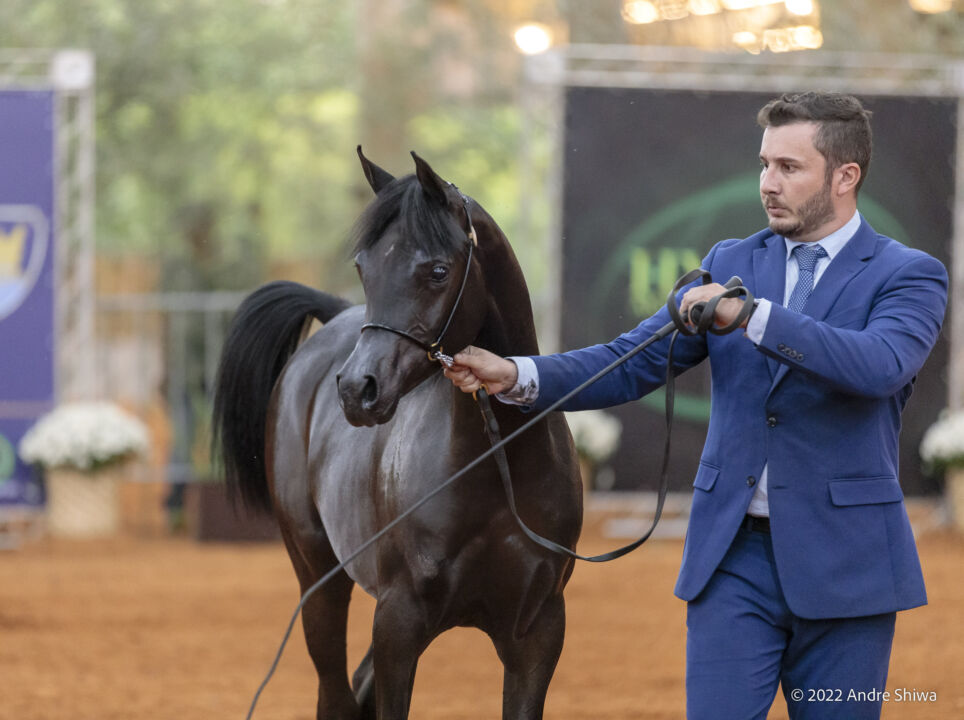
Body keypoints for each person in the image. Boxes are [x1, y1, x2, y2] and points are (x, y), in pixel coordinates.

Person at [444, 91, 948, 720]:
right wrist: (516, 373)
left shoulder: (909, 272)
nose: (768, 183)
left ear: (846, 176)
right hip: (732, 559)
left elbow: (880, 365)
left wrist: (753, 315)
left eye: (789, 168)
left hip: (849, 565)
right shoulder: (728, 262)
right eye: (765, 164)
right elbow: (630, 360)